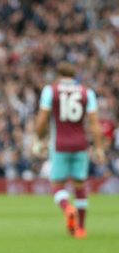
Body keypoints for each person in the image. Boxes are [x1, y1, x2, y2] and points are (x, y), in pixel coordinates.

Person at [35, 61, 106, 239]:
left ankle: (68, 208)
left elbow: (42, 119)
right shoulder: (86, 92)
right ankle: (81, 229)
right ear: (74, 75)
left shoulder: (51, 91)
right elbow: (94, 124)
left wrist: (40, 137)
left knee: (57, 185)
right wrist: (98, 147)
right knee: (80, 186)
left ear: (58, 75)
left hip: (60, 144)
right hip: (81, 144)